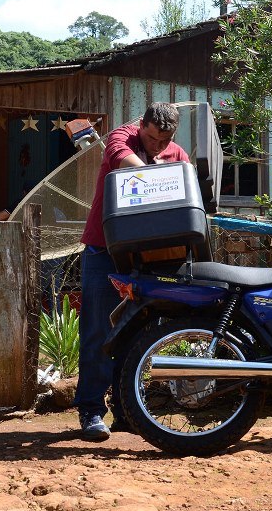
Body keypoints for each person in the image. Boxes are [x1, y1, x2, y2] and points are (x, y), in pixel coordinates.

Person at [74, 102, 190, 441]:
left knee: (138, 332)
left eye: (164, 139)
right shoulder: (122, 136)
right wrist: (158, 177)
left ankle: (127, 411)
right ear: (142, 126)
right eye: (151, 137)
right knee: (97, 332)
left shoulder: (178, 154)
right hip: (103, 251)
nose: (157, 145)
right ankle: (91, 411)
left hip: (147, 258)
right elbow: (124, 159)